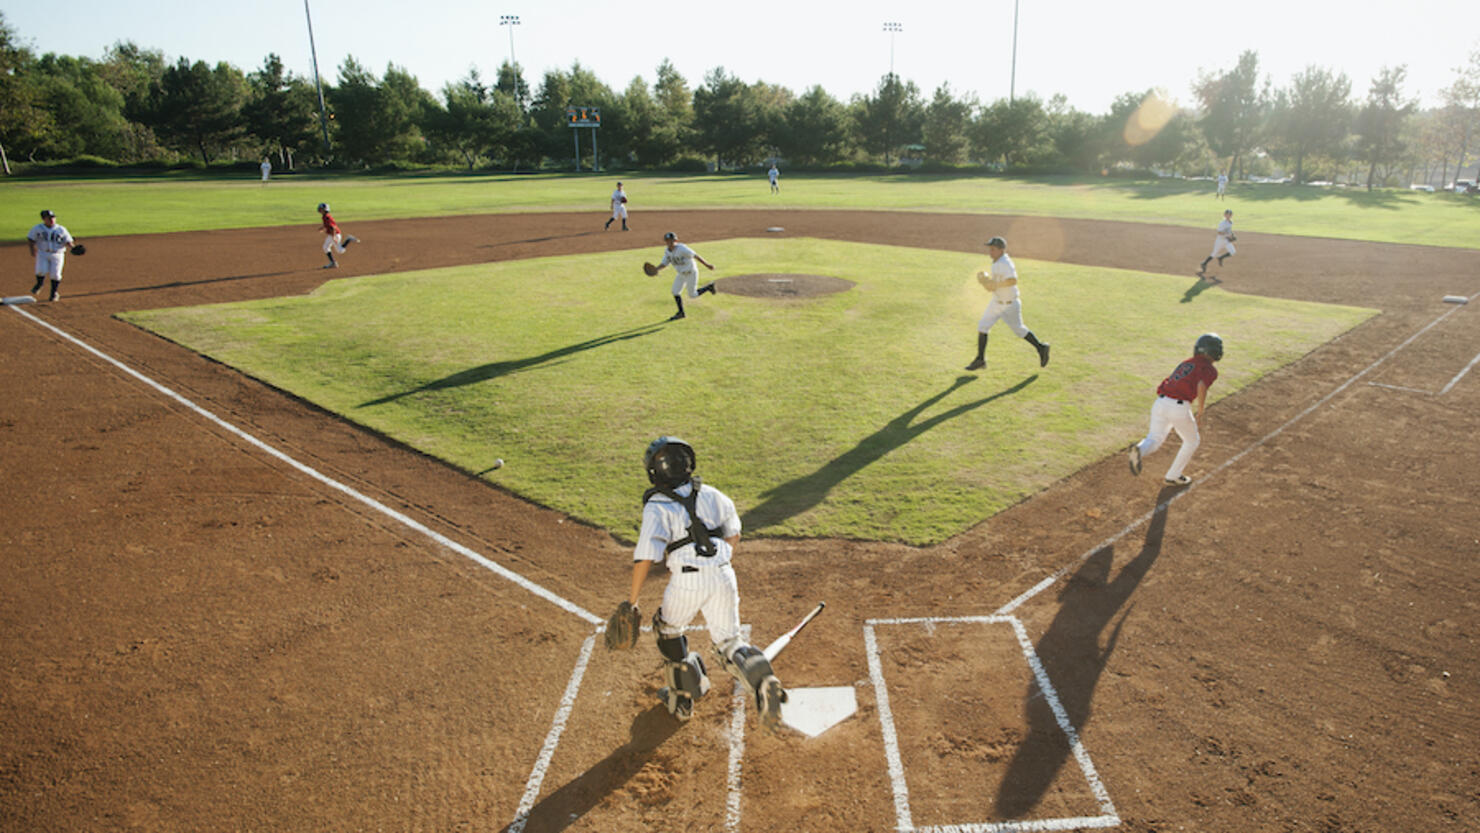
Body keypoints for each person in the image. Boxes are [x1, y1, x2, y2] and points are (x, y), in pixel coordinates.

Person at [625, 436, 787, 730]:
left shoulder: (656, 507)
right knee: (729, 642)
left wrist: (632, 602)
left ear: (654, 472)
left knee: (668, 629)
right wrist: (718, 568)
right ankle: (763, 680)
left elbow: (645, 558)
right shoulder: (713, 494)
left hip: (687, 580)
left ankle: (683, 700)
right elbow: (733, 535)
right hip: (724, 572)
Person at [1128, 333, 1223, 486]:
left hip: (1160, 403)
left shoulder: (1186, 363)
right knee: (1192, 441)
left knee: (1154, 438)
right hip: (1178, 407)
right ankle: (1173, 476)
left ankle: (1139, 450)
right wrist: (1200, 411)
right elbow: (1201, 385)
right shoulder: (1209, 369)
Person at [965, 236, 1050, 372]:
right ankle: (980, 360)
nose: (990, 252)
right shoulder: (995, 262)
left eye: (993, 249)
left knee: (1019, 330)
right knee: (983, 326)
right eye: (989, 249)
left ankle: (1041, 347)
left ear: (1001, 250)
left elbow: (1012, 280)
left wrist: (993, 283)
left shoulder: (1006, 263)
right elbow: (992, 288)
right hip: (996, 303)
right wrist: (985, 282)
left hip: (1010, 305)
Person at [653, 231, 716, 321]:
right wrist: (656, 269)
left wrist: (707, 265)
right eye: (667, 241)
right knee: (675, 292)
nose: (669, 243)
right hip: (681, 274)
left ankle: (709, 287)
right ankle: (681, 313)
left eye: (671, 240)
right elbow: (664, 263)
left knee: (692, 295)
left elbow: (695, 256)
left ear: (676, 240)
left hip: (691, 273)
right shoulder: (667, 251)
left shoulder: (682, 248)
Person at [27, 209, 78, 302]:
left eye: (53, 217)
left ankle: (54, 293)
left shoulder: (61, 229)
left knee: (55, 275)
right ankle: (39, 284)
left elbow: (68, 241)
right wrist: (32, 249)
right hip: (43, 253)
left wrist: (73, 247)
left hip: (57, 254)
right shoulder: (37, 228)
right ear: (43, 219)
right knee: (40, 271)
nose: (52, 220)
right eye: (49, 218)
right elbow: (31, 239)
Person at [316, 202, 359, 269]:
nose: (319, 209)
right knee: (325, 247)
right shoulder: (325, 216)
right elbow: (327, 224)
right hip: (332, 235)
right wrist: (322, 228)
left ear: (325, 210)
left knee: (340, 251)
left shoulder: (327, 217)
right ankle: (333, 263)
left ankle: (348, 239)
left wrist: (333, 237)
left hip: (334, 235)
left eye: (321, 208)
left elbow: (332, 228)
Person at [1198, 209, 1235, 276]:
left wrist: (1232, 235)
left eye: (1230, 214)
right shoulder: (1222, 223)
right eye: (1227, 214)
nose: (1228, 216)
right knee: (1214, 253)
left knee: (1233, 252)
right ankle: (1204, 263)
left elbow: (1229, 231)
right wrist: (1228, 234)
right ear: (1224, 215)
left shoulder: (1231, 222)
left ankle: (1220, 258)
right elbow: (1219, 232)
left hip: (1226, 240)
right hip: (1220, 241)